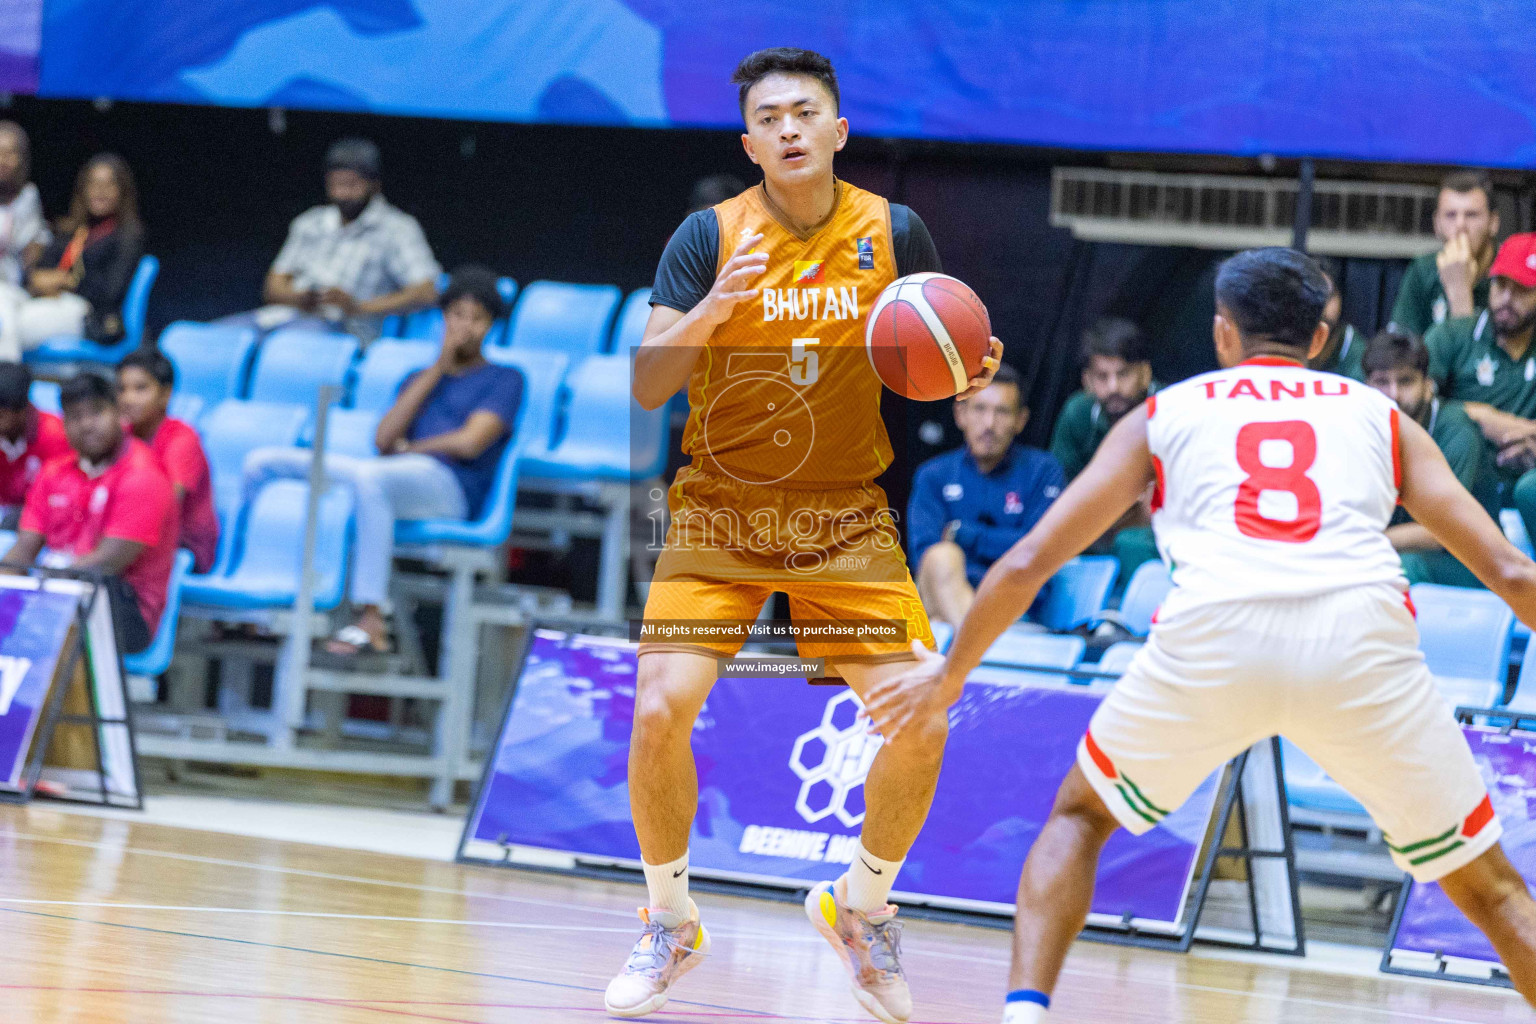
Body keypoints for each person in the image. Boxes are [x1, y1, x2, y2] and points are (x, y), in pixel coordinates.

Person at [863, 248, 1536, 1023]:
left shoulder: (1167, 412)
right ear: (1321, 337)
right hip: (1360, 644)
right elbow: (1513, 574)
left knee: (1079, 821)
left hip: (1217, 634)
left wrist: (949, 677)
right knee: (1490, 889)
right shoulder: (1377, 413)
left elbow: (1026, 560)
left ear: (1222, 334)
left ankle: (1024, 1013)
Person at [610, 47, 1000, 1023]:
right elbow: (648, 383)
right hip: (719, 510)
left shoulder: (893, 230)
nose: (788, 127)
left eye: (805, 111)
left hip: (844, 516)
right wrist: (714, 306)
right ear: (750, 143)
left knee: (921, 713)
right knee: (660, 706)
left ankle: (861, 905)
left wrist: (965, 367)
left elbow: (934, 356)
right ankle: (670, 919)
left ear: (838, 130)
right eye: (770, 117)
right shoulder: (706, 236)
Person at [243, 266, 522, 656]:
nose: (465, 327)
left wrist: (412, 450)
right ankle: (254, 595)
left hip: (451, 491)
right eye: (458, 315)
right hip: (389, 475)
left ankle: (372, 618)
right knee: (264, 462)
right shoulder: (417, 378)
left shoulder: (505, 378)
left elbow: (470, 443)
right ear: (443, 318)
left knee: (370, 479)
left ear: (491, 326)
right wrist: (438, 369)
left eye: (477, 319)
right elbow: (382, 439)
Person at [3, 373, 176, 655]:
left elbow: (106, 563)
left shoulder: (144, 475)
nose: (85, 425)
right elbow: (23, 551)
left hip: (122, 605)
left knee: (36, 627)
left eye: (96, 413)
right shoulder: (53, 472)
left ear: (119, 413)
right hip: (59, 591)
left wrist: (41, 591)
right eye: (74, 417)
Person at [909, 363, 1062, 626]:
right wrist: (1002, 544)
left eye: (1002, 412)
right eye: (980, 409)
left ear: (1021, 420)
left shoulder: (1043, 470)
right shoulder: (933, 475)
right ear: (960, 414)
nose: (989, 424)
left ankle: (973, 656)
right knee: (941, 558)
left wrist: (965, 535)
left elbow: (1042, 549)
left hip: (1017, 604)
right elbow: (924, 556)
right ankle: (983, 655)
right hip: (944, 595)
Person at [256, 138, 440, 340]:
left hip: (349, 330)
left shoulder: (397, 228)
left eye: (351, 185)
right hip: (290, 316)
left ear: (374, 184)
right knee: (224, 336)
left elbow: (426, 292)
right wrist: (300, 298)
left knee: (290, 344)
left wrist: (357, 306)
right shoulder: (310, 222)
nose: (342, 193)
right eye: (336, 184)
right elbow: (272, 286)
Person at [1422, 233, 1536, 548]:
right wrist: (1477, 415)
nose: (1506, 299)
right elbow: (1416, 405)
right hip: (1464, 495)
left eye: (1523, 289)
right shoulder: (1452, 334)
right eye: (1501, 285)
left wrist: (1518, 430)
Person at [1364, 330, 1497, 588]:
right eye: (1381, 382)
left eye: (1405, 382)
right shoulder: (1365, 426)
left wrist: (1367, 541)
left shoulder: (1457, 430)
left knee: (1401, 566)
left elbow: (1444, 532)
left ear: (1427, 385)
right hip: (1397, 548)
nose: (1393, 394)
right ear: (1366, 386)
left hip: (1472, 561)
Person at [0, 153, 144, 360]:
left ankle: (8, 383)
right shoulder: (73, 231)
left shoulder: (127, 237)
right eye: (93, 184)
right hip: (42, 300)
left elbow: (110, 291)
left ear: (122, 191)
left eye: (109, 184)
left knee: (10, 328)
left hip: (85, 312)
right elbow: (39, 268)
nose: (100, 191)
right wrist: (37, 279)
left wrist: (66, 281)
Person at [1048, 318, 1158, 585]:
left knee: (1133, 544)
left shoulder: (1172, 408)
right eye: (1102, 376)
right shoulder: (1077, 413)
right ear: (1087, 379)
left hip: (1157, 530)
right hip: (1094, 527)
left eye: (1123, 374)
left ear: (1145, 373)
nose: (1113, 388)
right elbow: (1060, 491)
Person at [115, 349, 219, 574]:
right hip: (139, 537)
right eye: (122, 389)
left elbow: (167, 507)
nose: (128, 399)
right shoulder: (122, 435)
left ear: (166, 394)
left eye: (140, 389)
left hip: (186, 548)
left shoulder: (182, 439)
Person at [1390, 170, 1499, 338]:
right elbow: (1400, 348)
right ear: (1436, 224)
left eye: (1471, 215)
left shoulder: (1509, 273)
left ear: (1493, 222)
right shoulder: (1423, 270)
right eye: (1450, 215)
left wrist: (1461, 293)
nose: (1460, 225)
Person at [0, 361, 70, 527]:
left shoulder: (57, 437)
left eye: (1, 415)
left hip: (45, 520)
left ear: (22, 411)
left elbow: (63, 499)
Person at [0, 122, 50, 287]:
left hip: (12, 285)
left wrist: (37, 247)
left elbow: (32, 243)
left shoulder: (27, 196)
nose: (3, 160)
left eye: (10, 153)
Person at [1308, 270, 1365, 381]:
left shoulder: (1354, 348)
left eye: (1327, 295)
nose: (1322, 304)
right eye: (1313, 295)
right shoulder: (1283, 339)